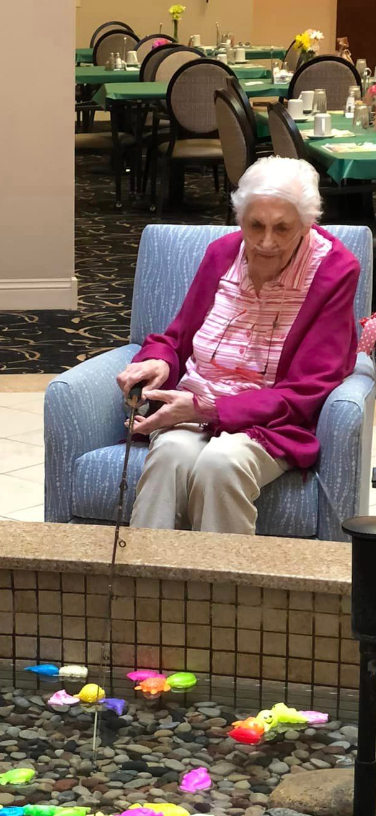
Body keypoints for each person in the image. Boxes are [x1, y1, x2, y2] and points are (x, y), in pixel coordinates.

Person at [116, 156, 359, 534]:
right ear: (239, 218)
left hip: (269, 421)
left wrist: (210, 409)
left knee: (221, 464)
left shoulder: (335, 270)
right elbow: (176, 338)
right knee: (168, 455)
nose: (265, 242)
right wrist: (159, 362)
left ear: (307, 224)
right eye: (255, 225)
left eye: (282, 228)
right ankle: (146, 586)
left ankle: (224, 591)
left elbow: (310, 387)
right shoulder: (222, 254)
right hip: (191, 408)